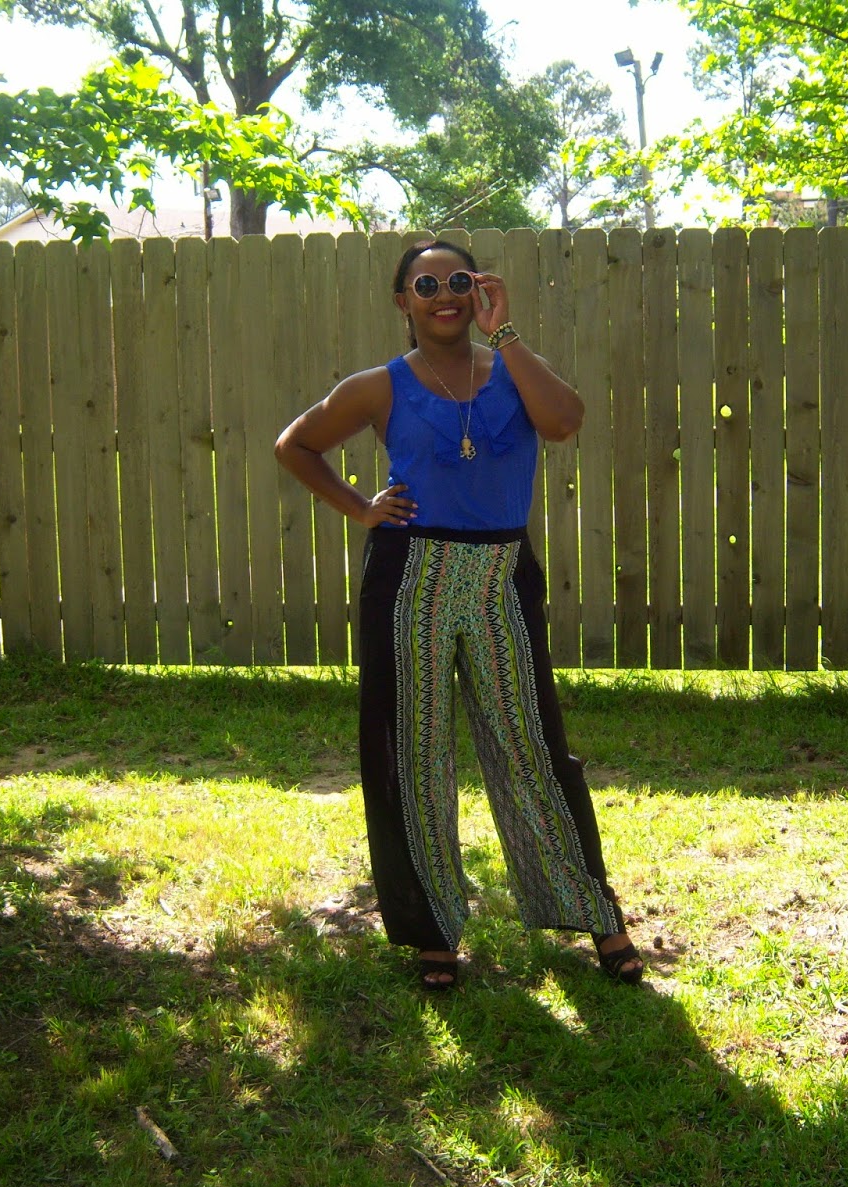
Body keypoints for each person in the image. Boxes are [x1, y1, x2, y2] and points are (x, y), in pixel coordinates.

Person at [274, 239, 643, 991]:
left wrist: (505, 333)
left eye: (458, 280)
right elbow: (296, 444)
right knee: (415, 750)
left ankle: (593, 911)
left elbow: (564, 422)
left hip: (503, 575)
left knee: (531, 744)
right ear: (402, 301)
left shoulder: (513, 367)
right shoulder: (378, 386)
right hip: (410, 575)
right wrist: (361, 508)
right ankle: (433, 930)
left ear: (480, 290)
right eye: (426, 285)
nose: (443, 295)